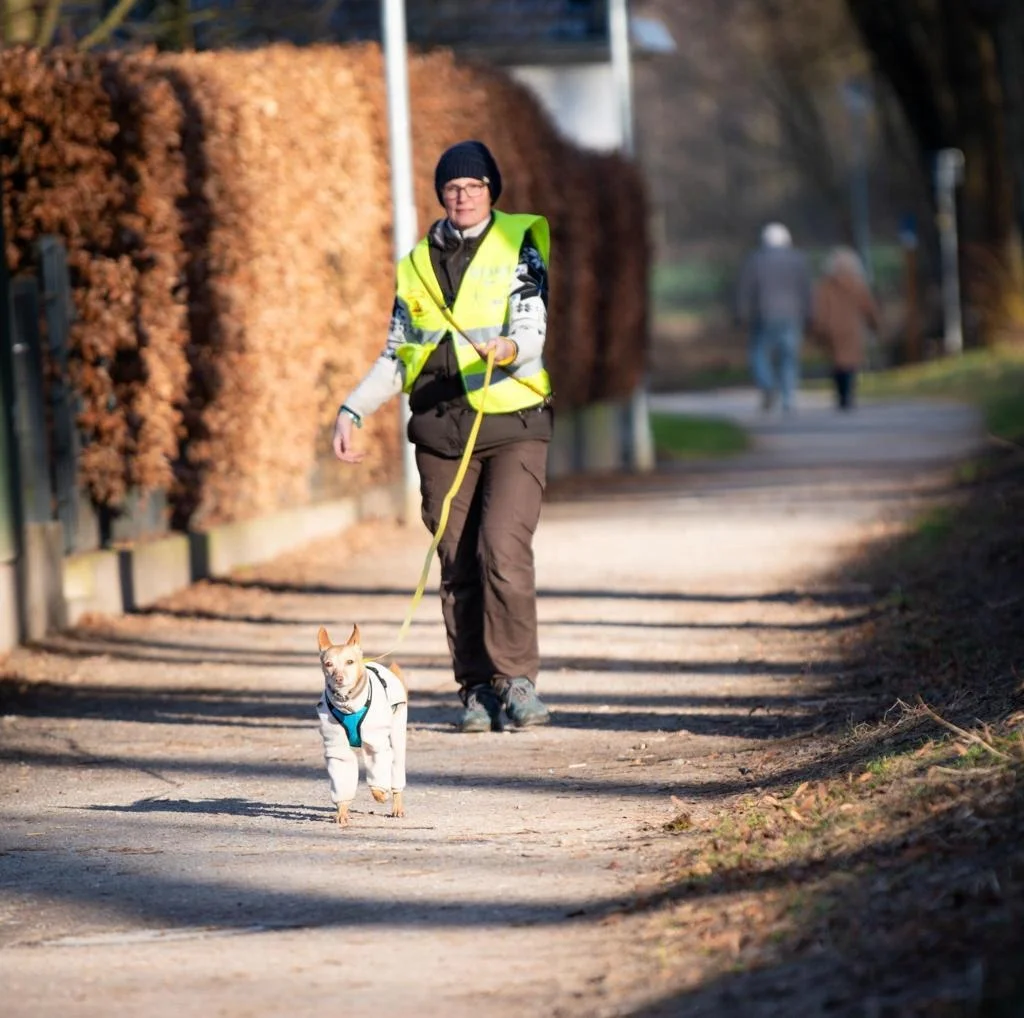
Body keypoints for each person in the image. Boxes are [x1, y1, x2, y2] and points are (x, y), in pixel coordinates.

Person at [331, 140, 554, 733]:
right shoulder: (416, 265)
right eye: (453, 187)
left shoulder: (518, 245)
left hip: (513, 423)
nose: (463, 195)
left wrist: (509, 347)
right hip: (441, 432)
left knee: (501, 550)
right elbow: (396, 356)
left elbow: (532, 324)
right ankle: (477, 689)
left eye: (474, 186)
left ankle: (517, 681)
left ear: (491, 190)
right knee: (456, 561)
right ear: (441, 194)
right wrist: (352, 410)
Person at [736, 222, 813, 413]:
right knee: (789, 357)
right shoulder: (798, 260)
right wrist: (810, 313)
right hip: (792, 315)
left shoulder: (755, 260)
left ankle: (767, 385)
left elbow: (745, 289)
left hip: (764, 314)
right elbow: (806, 290)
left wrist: (741, 313)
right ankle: (789, 399)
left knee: (758, 353)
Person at [810, 246, 880, 411]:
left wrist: (818, 328)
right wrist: (874, 324)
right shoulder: (858, 284)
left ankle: (842, 394)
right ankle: (848, 393)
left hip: (832, 329)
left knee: (837, 363)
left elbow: (819, 308)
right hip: (852, 329)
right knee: (851, 363)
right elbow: (868, 307)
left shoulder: (825, 285)